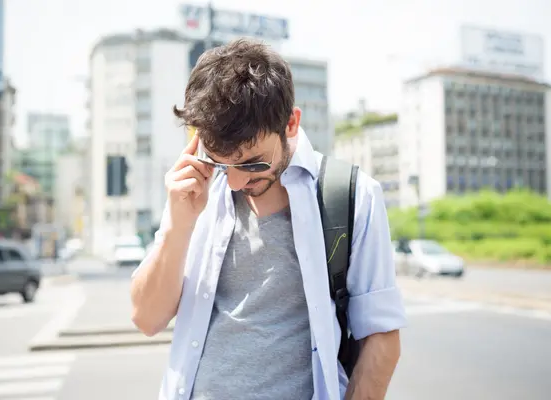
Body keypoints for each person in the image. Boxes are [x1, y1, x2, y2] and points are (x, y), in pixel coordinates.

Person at [130, 38, 407, 400]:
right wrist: (177, 225)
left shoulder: (353, 196)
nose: (234, 181)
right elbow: (146, 318)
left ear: (291, 123)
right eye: (219, 162)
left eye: (252, 163)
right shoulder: (196, 189)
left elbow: (381, 337)